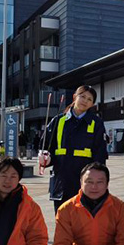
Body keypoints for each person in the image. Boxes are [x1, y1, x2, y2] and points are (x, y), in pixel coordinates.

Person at [39, 85, 108, 214]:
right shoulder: (58, 121)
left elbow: (100, 154)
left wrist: (99, 181)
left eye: (89, 99)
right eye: (82, 96)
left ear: (92, 104)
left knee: (84, 224)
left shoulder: (96, 123)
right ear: (75, 97)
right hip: (61, 182)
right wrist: (45, 158)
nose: (85, 101)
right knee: (62, 222)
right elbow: (46, 146)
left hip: (85, 183)